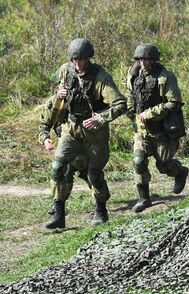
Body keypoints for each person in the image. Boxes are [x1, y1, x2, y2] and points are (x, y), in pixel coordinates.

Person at [42, 37, 127, 229]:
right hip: (70, 128)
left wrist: (100, 118)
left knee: (94, 174)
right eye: (74, 59)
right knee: (58, 166)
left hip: (94, 133)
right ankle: (59, 214)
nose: (77, 63)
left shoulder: (100, 77)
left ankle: (101, 210)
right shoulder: (66, 70)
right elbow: (58, 92)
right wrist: (60, 95)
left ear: (88, 58)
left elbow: (120, 104)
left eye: (80, 59)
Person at [126, 43, 189, 213]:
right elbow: (130, 94)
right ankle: (144, 198)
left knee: (163, 165)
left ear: (153, 60)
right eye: (140, 59)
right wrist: (132, 112)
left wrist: (151, 113)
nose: (142, 63)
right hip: (142, 129)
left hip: (163, 128)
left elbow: (174, 102)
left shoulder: (165, 77)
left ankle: (180, 172)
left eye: (146, 59)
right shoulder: (133, 75)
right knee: (138, 161)